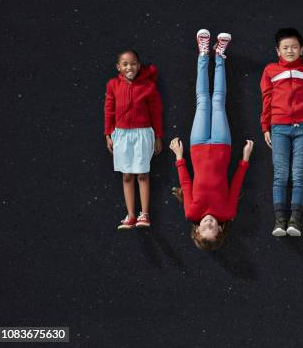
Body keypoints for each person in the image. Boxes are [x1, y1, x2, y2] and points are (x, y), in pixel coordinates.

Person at [169, 29, 254, 251]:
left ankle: (203, 54)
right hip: (222, 146)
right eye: (213, 229)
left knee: (202, 100)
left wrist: (179, 157)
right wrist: (244, 159)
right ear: (220, 229)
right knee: (218, 100)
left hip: (197, 147)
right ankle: (220, 56)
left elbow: (186, 184)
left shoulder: (191, 212)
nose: (208, 224)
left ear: (197, 230)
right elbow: (235, 185)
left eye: (204, 228)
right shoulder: (228, 212)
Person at [260, 28, 303, 237]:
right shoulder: (270, 70)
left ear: (301, 49)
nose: (290, 51)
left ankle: (295, 220)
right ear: (277, 50)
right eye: (285, 47)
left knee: (298, 175)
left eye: (294, 47)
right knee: (280, 175)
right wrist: (265, 126)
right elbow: (266, 99)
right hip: (279, 128)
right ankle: (279, 221)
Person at [104, 49, 163, 230]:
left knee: (143, 174)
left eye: (133, 63)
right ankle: (130, 215)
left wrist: (158, 136)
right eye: (125, 64)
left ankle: (144, 214)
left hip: (142, 134)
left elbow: (156, 112)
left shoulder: (148, 86)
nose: (129, 67)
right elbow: (109, 109)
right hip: (121, 135)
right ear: (118, 67)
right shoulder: (113, 85)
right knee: (127, 175)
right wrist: (108, 134)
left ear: (139, 66)